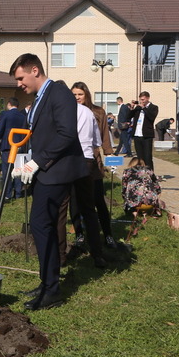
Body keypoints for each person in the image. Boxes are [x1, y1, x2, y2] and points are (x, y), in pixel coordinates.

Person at [9, 53, 86, 311]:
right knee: (43, 226)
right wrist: (27, 160)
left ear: (35, 70)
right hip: (46, 171)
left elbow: (66, 134)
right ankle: (46, 282)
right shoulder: (40, 97)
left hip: (57, 173)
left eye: (21, 78)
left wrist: (38, 161)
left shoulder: (59, 93)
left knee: (42, 225)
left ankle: (52, 288)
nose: (19, 84)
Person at [71, 81, 117, 250]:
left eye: (80, 94)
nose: (77, 98)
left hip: (93, 160)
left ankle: (108, 234)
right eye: (74, 94)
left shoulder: (97, 112)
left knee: (98, 199)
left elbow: (104, 135)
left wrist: (109, 154)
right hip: (74, 159)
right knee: (74, 200)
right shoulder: (68, 111)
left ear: (86, 95)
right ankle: (79, 234)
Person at [0, 97, 29, 199]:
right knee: (18, 169)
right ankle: (18, 193)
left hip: (7, 145)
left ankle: (7, 193)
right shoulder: (23, 116)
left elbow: (0, 129)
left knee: (7, 170)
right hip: (20, 145)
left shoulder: (5, 114)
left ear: (9, 104)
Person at [130, 91, 158, 171]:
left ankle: (150, 175)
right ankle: (141, 174)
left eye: (143, 99)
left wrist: (144, 108)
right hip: (137, 135)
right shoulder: (138, 108)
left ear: (148, 98)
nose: (142, 101)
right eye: (140, 99)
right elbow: (128, 116)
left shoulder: (153, 107)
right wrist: (132, 108)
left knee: (147, 157)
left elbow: (151, 117)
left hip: (147, 136)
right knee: (139, 157)